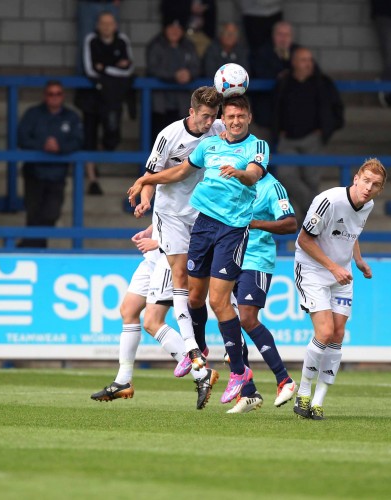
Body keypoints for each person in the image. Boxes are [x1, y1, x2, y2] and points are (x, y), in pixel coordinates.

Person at [127, 94, 268, 406]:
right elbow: (176, 172)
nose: (217, 121)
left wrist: (242, 174)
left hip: (225, 225)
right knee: (193, 296)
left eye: (223, 115)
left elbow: (255, 173)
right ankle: (198, 352)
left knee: (219, 300)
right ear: (192, 112)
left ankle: (239, 376)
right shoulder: (182, 138)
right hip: (190, 221)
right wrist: (145, 185)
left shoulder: (244, 140)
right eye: (215, 116)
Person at [130, 86, 226, 408]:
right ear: (191, 111)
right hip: (170, 215)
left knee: (201, 291)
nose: (209, 122)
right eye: (204, 116)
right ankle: (193, 351)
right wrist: (145, 200)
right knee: (180, 276)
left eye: (213, 116)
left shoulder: (219, 130)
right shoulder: (168, 136)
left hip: (202, 214)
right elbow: (151, 175)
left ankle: (199, 359)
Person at [292, 158, 387, 420]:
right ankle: (303, 393)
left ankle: (319, 402)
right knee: (324, 331)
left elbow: (350, 234)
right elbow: (303, 239)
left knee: (338, 334)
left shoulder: (367, 205)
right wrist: (333, 267)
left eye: (375, 185)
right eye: (366, 180)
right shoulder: (330, 201)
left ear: (380, 190)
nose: (369, 188)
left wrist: (357, 260)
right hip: (313, 270)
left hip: (341, 274)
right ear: (356, 178)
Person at [90, 224, 219, 410]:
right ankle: (123, 380)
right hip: (151, 259)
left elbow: (192, 227)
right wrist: (151, 230)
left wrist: (158, 242)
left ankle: (202, 373)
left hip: (169, 260)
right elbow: (165, 211)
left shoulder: (188, 194)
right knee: (128, 310)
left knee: (152, 322)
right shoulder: (164, 194)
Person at [221, 172, 298, 413]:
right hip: (229, 257)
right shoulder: (231, 181)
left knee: (246, 318)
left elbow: (290, 223)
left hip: (256, 259)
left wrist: (255, 223)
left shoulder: (273, 187)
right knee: (228, 320)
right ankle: (248, 392)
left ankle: (284, 380)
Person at [272, 47, 344, 223]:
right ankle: (318, 214)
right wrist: (278, 129)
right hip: (287, 140)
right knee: (285, 175)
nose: (308, 64)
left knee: (311, 180)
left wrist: (324, 130)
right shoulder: (284, 82)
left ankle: (308, 224)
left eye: (310, 60)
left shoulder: (323, 83)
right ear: (294, 62)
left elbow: (337, 112)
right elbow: (274, 109)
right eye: (303, 60)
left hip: (313, 140)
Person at [16, 81, 84, 248]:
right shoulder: (33, 114)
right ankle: (36, 248)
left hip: (57, 174)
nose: (54, 97)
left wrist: (59, 147)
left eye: (58, 94)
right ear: (45, 96)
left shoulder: (71, 117)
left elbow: (79, 141)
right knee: (33, 213)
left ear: (63, 96)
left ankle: (30, 245)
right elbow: (22, 138)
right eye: (50, 94)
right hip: (34, 173)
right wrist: (43, 146)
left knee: (51, 213)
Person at [77, 11, 135, 196]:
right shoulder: (91, 40)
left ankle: (97, 159)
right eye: (103, 23)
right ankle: (92, 179)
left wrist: (105, 67)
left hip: (113, 97)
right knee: (89, 137)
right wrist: (116, 66)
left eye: (110, 23)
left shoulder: (122, 40)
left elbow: (129, 69)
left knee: (112, 135)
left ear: (115, 25)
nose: (107, 26)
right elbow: (90, 69)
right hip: (92, 96)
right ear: (97, 25)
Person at [146, 18, 201, 140]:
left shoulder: (188, 46)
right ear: (165, 29)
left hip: (182, 104)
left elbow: (197, 68)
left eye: (178, 28)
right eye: (171, 28)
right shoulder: (156, 45)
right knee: (159, 142)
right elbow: (152, 69)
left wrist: (189, 74)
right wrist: (173, 75)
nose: (175, 31)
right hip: (160, 105)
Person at [250, 20, 299, 133]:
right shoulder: (261, 52)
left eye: (287, 35)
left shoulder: (299, 52)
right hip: (267, 113)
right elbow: (258, 73)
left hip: (292, 116)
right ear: (273, 36)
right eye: (280, 34)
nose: (283, 38)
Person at [75, 0, 121, 75]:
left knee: (113, 41)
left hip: (110, 4)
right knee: (85, 42)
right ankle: (81, 81)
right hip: (88, 4)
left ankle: (113, 77)